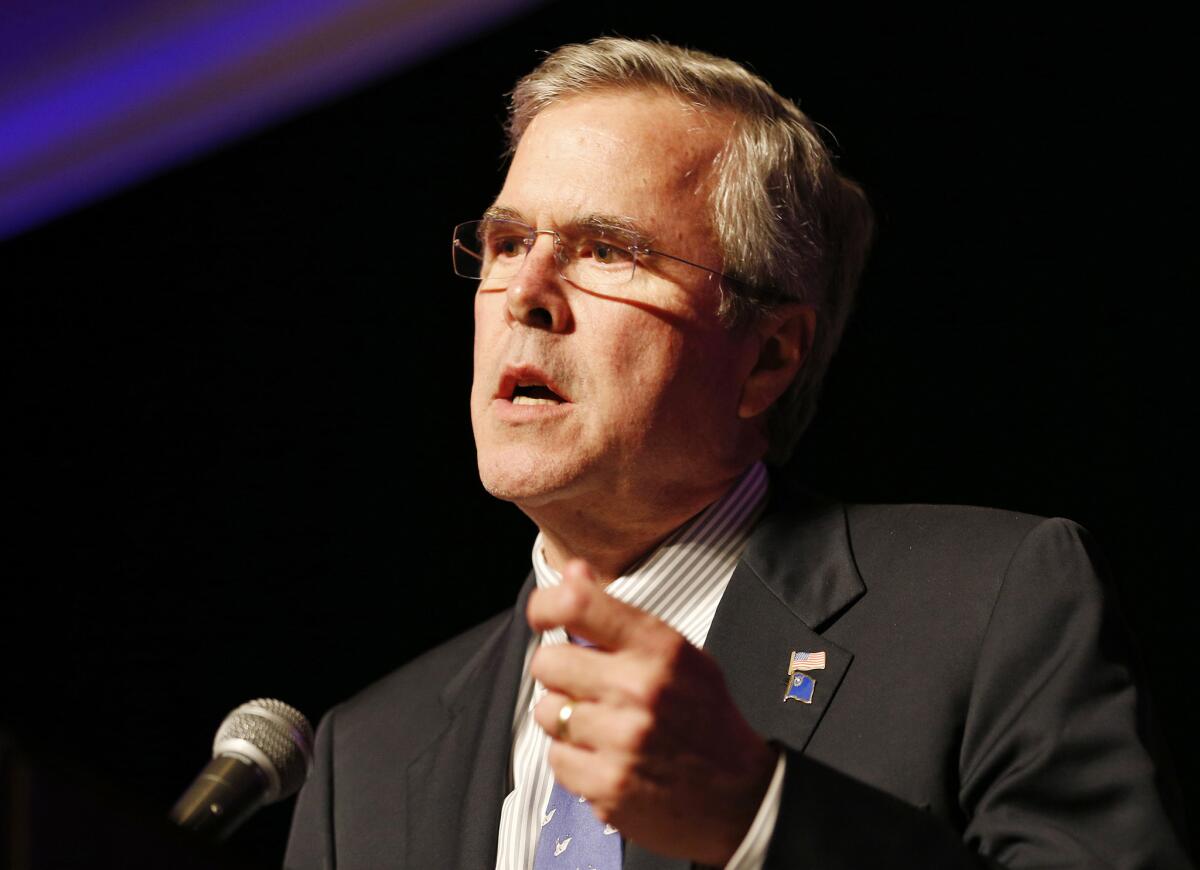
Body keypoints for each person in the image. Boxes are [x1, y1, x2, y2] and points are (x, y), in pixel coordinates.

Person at [285, 38, 1190, 869]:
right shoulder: (362, 758)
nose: (524, 292)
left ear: (765, 357)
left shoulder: (991, 604)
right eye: (509, 242)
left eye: (608, 250)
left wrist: (760, 816)